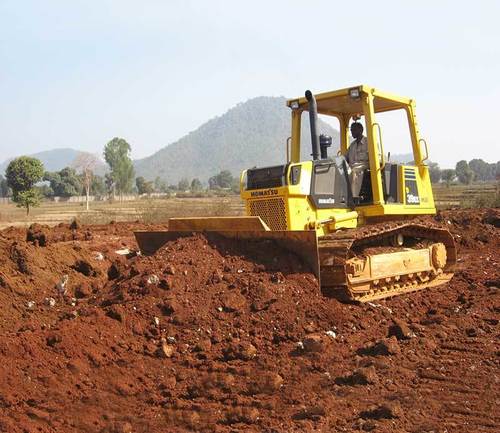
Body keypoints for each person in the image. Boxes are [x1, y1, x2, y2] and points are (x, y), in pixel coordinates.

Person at [346, 122, 370, 201]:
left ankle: (354, 197)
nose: (352, 132)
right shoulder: (352, 145)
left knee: (354, 171)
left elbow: (376, 158)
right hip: (353, 165)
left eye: (354, 130)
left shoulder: (369, 142)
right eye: (351, 130)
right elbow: (346, 157)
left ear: (361, 130)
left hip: (365, 165)